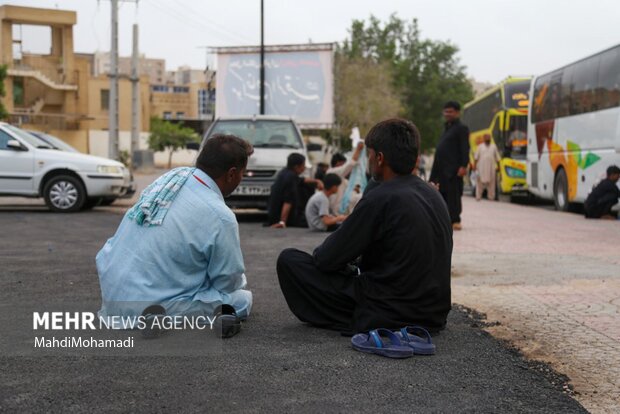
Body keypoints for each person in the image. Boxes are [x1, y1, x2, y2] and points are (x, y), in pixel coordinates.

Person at [277, 118, 453, 334]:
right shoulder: (433, 195)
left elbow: (327, 258)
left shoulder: (380, 197)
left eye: (369, 154)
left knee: (290, 260)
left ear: (379, 158)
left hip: (391, 310)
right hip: (434, 314)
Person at [96, 135, 254, 320]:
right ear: (231, 174)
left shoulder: (172, 178)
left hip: (113, 293)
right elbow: (227, 282)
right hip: (150, 303)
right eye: (243, 173)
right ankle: (165, 317)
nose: (241, 179)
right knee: (241, 300)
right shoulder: (221, 216)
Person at [430, 101, 470, 230]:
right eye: (445, 111)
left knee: (453, 195)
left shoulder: (461, 129)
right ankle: (444, 219)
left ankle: (455, 220)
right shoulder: (447, 128)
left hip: (454, 170)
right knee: (442, 194)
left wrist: (463, 165)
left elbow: (465, 148)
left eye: (450, 111)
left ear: (457, 113)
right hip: (441, 169)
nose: (447, 114)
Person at [267, 153, 323, 228]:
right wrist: (282, 222)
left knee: (306, 185)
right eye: (303, 165)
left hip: (273, 216)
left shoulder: (284, 172)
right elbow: (287, 202)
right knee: (316, 222)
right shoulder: (291, 178)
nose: (304, 167)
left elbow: (302, 180)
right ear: (297, 167)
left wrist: (317, 181)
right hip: (282, 217)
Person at [326, 142, 365, 215]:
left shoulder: (341, 178)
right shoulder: (332, 172)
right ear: (338, 163)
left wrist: (356, 188)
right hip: (337, 208)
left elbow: (349, 187)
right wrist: (358, 150)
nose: (344, 165)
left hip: (340, 207)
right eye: (343, 163)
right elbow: (349, 165)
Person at [473, 134, 501, 201]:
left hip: (491, 167)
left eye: (489, 138)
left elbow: (497, 158)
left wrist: (499, 166)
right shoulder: (480, 147)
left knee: (492, 183)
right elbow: (476, 158)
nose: (488, 139)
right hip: (481, 167)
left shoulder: (493, 147)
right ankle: (478, 196)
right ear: (484, 139)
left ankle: (491, 197)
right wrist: (474, 166)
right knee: (479, 182)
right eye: (486, 138)